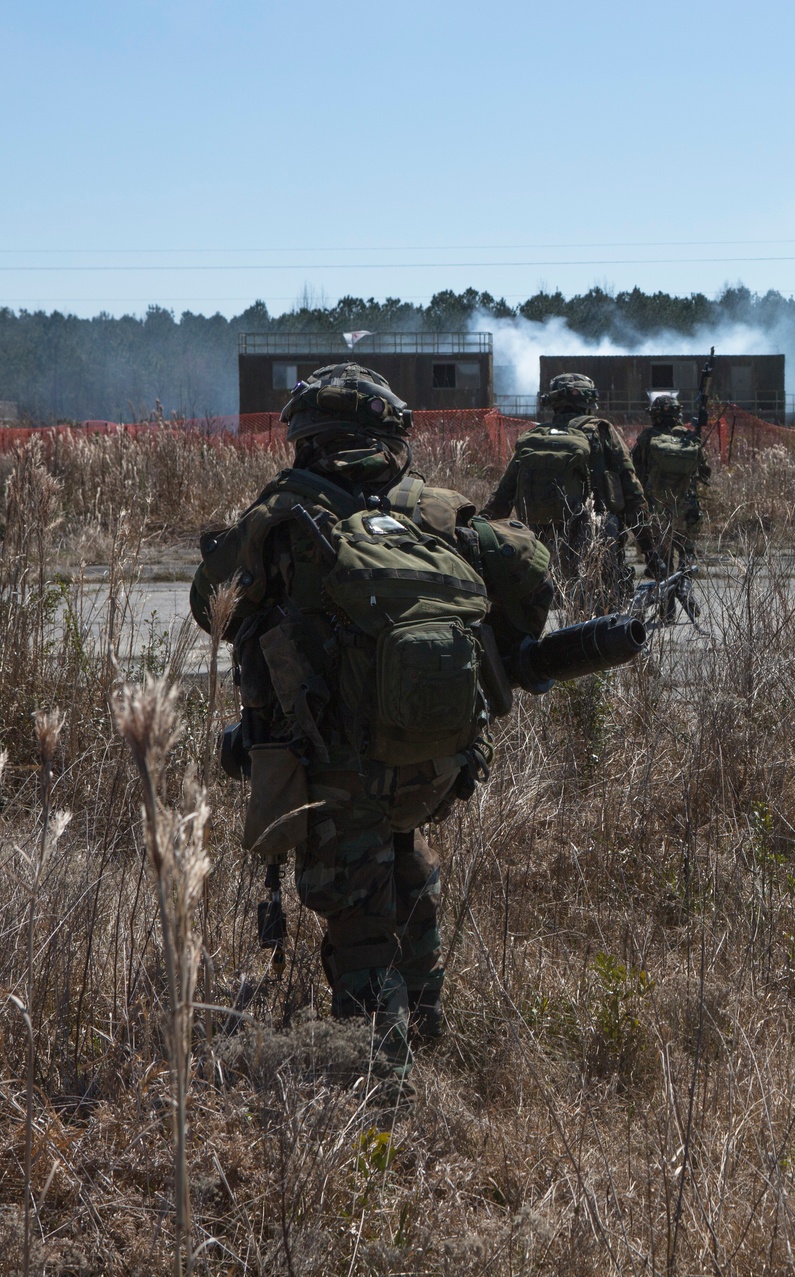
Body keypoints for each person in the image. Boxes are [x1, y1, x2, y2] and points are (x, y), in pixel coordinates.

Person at [190, 363, 553, 1080]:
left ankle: (378, 1088)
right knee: (407, 862)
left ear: (305, 439)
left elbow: (212, 603)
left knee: (357, 921)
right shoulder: (437, 510)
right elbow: (534, 580)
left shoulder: (285, 511)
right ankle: (426, 1025)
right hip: (440, 761)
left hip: (338, 768)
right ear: (391, 437)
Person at [481, 372, 663, 610]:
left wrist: (476, 528)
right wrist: (649, 550)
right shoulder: (602, 431)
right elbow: (633, 494)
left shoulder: (535, 437)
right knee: (605, 618)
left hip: (541, 547)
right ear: (590, 401)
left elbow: (503, 496)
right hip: (596, 542)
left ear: (551, 402)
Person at [631, 395, 711, 622]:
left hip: (658, 508)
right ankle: (684, 586)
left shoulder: (647, 437)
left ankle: (667, 612)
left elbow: (634, 468)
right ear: (678, 414)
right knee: (687, 552)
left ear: (653, 415)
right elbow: (705, 473)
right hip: (686, 509)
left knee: (663, 562)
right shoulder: (689, 438)